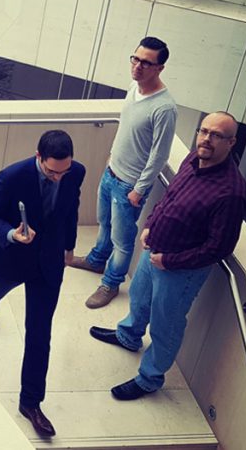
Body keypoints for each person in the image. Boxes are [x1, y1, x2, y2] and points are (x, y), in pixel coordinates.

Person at [90, 112, 246, 401]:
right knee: (138, 298)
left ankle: (150, 379)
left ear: (231, 142)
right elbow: (169, 197)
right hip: (155, 251)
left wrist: (169, 261)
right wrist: (150, 224)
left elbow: (218, 248)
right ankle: (128, 336)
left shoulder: (231, 193)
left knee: (167, 325)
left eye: (216, 135)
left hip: (180, 270)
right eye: (204, 131)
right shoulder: (193, 158)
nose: (206, 139)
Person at [0, 130, 85, 438]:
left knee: (40, 335)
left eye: (63, 172)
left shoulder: (74, 172)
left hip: (49, 262)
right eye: (52, 171)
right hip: (13, 258)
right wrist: (12, 234)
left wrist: (69, 247)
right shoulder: (11, 176)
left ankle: (30, 402)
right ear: (39, 157)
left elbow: (70, 210)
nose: (58, 178)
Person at [71, 37, 177, 309]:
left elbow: (159, 155)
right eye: (136, 59)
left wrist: (138, 189)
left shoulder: (164, 108)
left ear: (159, 68)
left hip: (129, 184)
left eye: (146, 62)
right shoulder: (134, 87)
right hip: (112, 172)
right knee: (103, 222)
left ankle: (111, 282)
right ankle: (96, 260)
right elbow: (126, 127)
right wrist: (110, 156)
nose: (138, 66)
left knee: (122, 239)